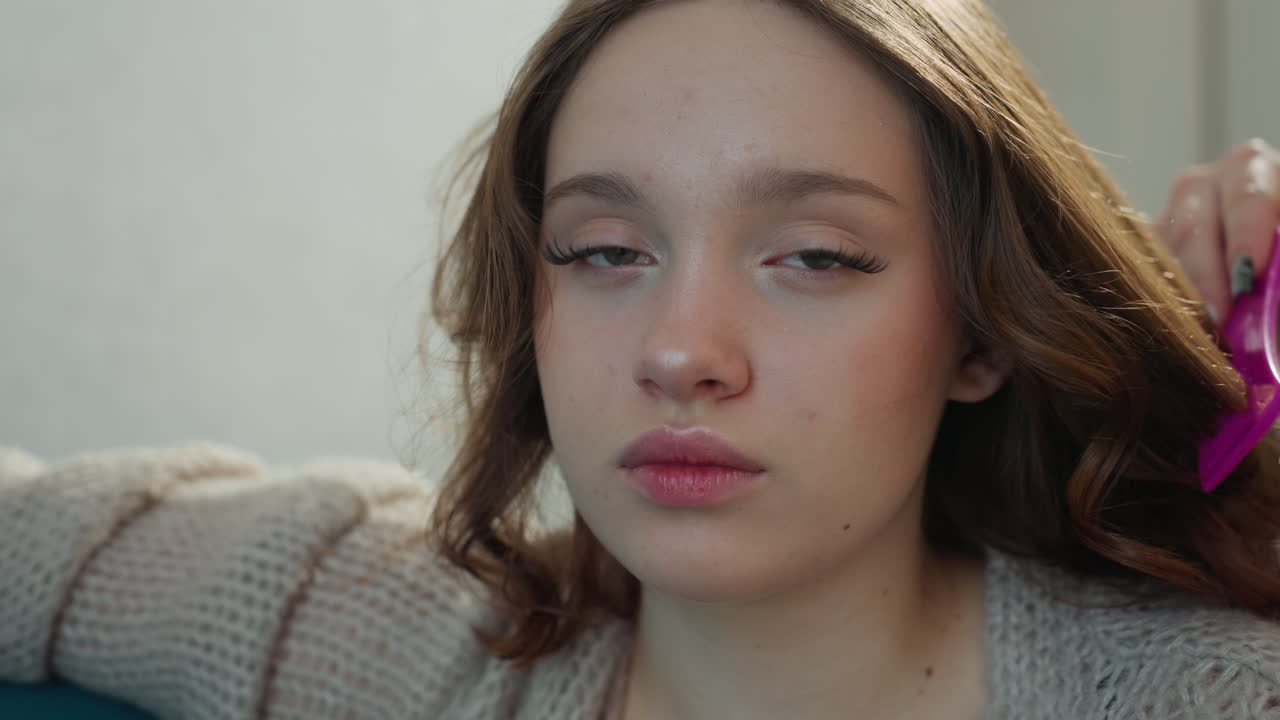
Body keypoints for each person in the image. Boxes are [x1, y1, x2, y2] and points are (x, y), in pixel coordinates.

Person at [3, 0, 1280, 717]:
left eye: (818, 258)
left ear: (983, 335)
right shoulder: (367, 626)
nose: (679, 353)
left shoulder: (1200, 699)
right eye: (604, 251)